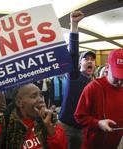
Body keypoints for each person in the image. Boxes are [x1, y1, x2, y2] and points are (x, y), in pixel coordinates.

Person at [0, 83, 68, 149]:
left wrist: (49, 127)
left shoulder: (50, 119)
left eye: (41, 95)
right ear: (19, 102)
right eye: (34, 96)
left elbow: (62, 146)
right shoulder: (4, 121)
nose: (40, 99)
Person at [58, 11, 96, 149]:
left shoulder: (96, 84)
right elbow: (73, 53)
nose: (90, 61)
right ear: (80, 63)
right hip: (65, 126)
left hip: (83, 130)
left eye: (93, 60)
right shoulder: (74, 76)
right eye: (87, 59)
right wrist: (74, 25)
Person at [74, 49, 123, 149]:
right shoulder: (93, 87)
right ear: (107, 67)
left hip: (114, 144)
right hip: (92, 144)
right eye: (117, 76)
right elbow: (79, 116)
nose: (120, 82)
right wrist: (98, 123)